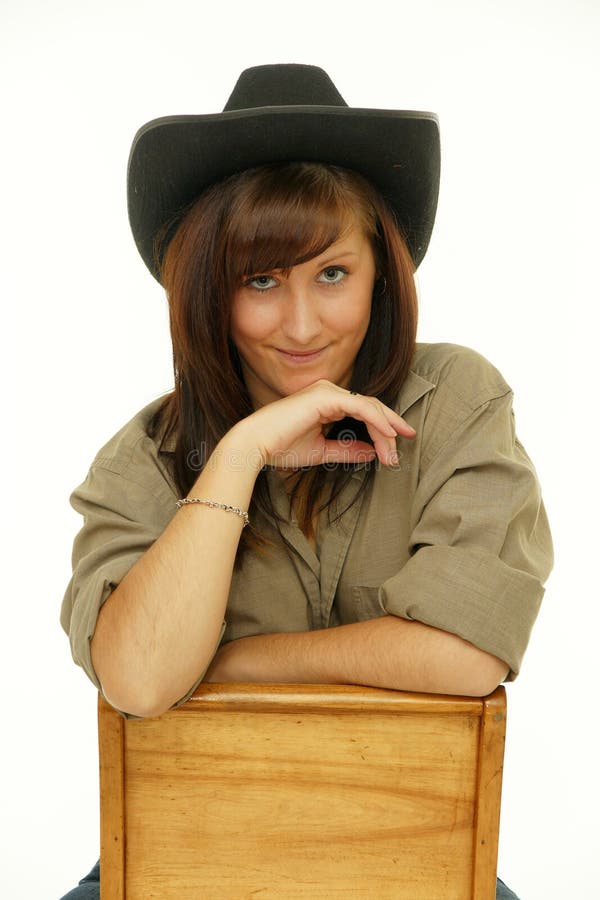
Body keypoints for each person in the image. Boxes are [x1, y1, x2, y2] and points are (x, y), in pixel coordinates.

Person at [59, 64, 553, 900]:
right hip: (187, 850)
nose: (301, 326)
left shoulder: (457, 401)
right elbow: (140, 679)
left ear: (381, 274)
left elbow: (468, 654)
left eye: (332, 274)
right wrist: (240, 454)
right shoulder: (141, 458)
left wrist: (229, 663)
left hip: (414, 854)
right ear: (208, 294)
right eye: (260, 282)